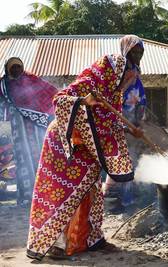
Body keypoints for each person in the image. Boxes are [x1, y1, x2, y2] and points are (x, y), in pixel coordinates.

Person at [26, 35, 144, 260]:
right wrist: (83, 101)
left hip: (89, 146)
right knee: (64, 192)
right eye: (134, 52)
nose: (127, 82)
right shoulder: (102, 70)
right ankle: (56, 244)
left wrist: (131, 130)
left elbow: (109, 119)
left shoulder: (114, 92)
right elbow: (61, 99)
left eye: (141, 53)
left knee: (91, 191)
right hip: (66, 143)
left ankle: (91, 239)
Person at [0, 57, 57, 205]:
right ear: (7, 69)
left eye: (19, 67)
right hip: (17, 127)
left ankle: (43, 194)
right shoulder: (4, 84)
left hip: (36, 126)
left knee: (38, 156)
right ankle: (26, 195)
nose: (16, 70)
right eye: (13, 67)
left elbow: (52, 91)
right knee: (22, 158)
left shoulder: (31, 79)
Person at [103, 36, 147, 210]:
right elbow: (111, 99)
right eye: (134, 51)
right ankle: (112, 203)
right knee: (117, 160)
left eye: (140, 52)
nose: (137, 55)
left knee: (131, 160)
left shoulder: (136, 70)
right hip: (116, 121)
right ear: (125, 50)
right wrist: (123, 126)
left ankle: (128, 200)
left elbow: (139, 98)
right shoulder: (117, 71)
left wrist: (138, 121)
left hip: (131, 122)